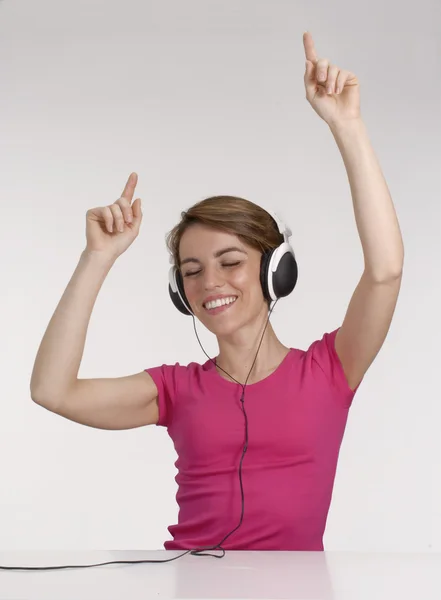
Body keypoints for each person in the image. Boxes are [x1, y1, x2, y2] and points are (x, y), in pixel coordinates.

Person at [30, 32, 404, 552]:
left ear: (277, 270)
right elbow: (52, 391)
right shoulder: (176, 391)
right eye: (191, 271)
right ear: (178, 292)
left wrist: (348, 126)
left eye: (230, 263)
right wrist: (98, 258)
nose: (210, 283)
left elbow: (385, 272)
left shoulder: (331, 369)